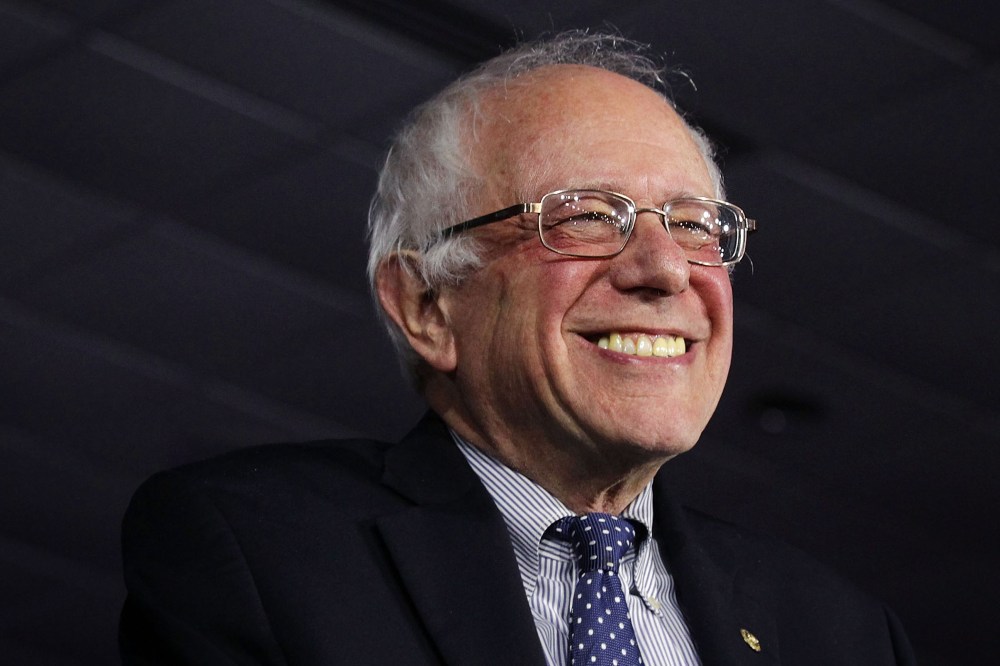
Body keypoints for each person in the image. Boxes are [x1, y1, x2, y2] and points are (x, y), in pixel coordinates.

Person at [120, 32, 915, 665]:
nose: (666, 268)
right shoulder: (263, 552)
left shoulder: (841, 635)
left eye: (695, 225)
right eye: (586, 217)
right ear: (427, 305)